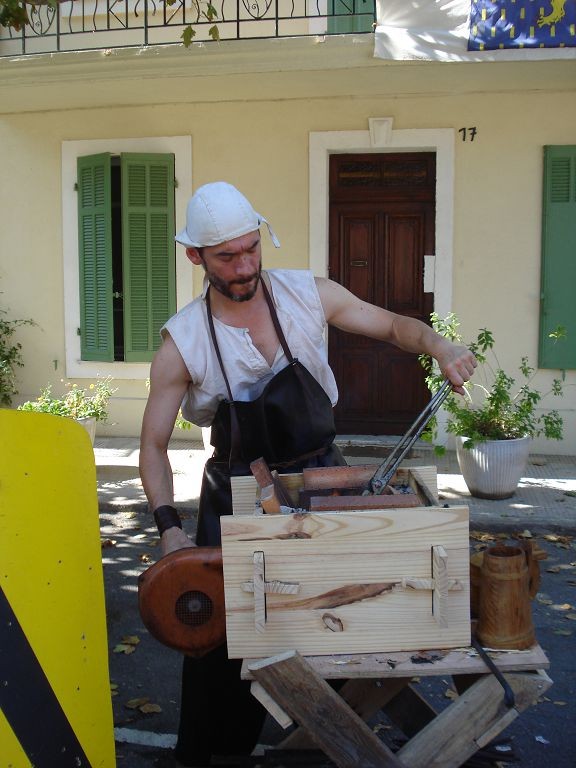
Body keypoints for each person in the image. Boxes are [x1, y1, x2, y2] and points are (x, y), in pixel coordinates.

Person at [139, 181, 477, 766]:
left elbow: (394, 326)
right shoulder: (183, 341)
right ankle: (212, 755)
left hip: (322, 479)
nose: (244, 266)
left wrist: (440, 346)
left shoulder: (307, 294)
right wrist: (169, 528)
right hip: (235, 494)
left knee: (343, 609)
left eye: (251, 249)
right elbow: (151, 444)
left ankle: (333, 738)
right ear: (195, 256)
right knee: (223, 637)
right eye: (227, 257)